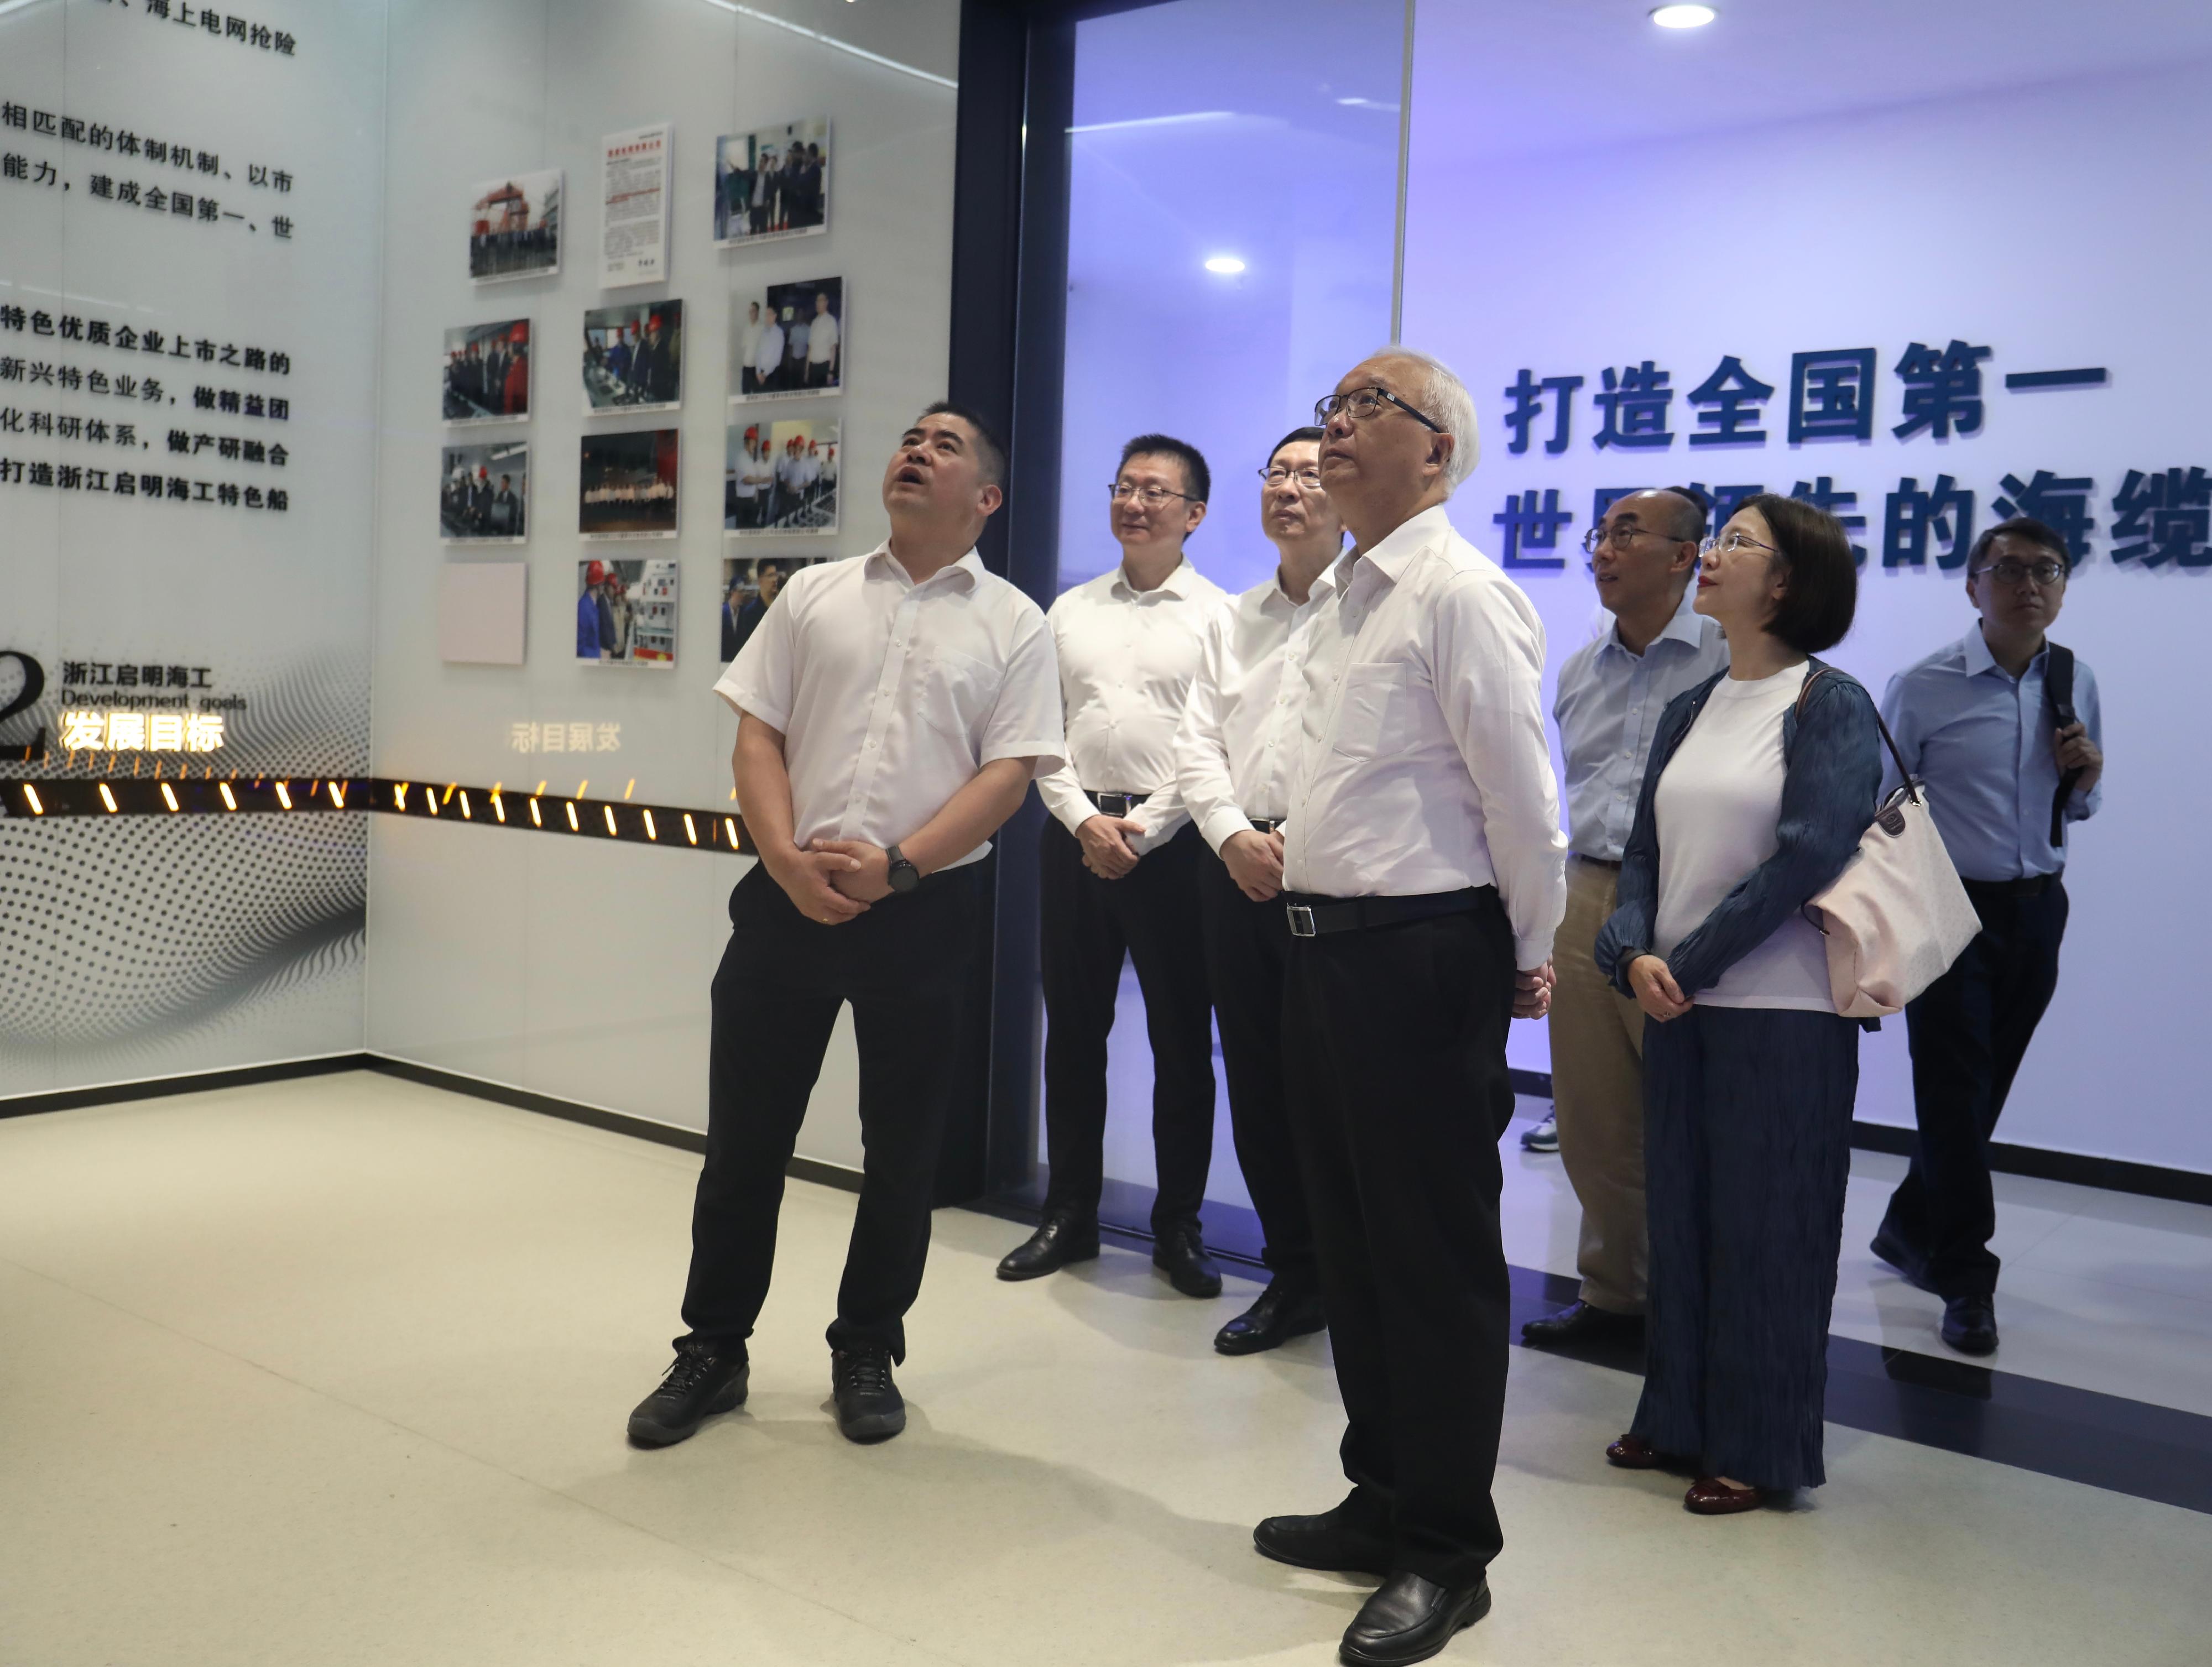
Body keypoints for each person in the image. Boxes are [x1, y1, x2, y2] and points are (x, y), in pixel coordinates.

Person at [626, 403, 1063, 1450]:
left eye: (946, 446)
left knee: (903, 1152)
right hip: (785, 904)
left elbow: (1012, 774)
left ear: (986, 498)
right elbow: (758, 734)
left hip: (923, 914)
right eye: (911, 438)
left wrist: (901, 868)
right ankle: (713, 1349)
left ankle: (867, 1345)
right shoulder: (815, 593)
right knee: (745, 1143)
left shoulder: (1016, 624)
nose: (916, 451)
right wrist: (782, 859)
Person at [1251, 349, 1563, 1667]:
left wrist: (1525, 954)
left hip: (1425, 956)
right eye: (1331, 405)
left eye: (1367, 406)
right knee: (1358, 1243)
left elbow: (1522, 806)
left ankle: (1446, 1549)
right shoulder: (1344, 597)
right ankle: (1379, 1496)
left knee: (1431, 1258)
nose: (1335, 423)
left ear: (1433, 450)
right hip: (1324, 953)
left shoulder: (1457, 593)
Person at [1593, 494, 1880, 1516]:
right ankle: (1677, 1416)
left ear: (1790, 581)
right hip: (1681, 1002)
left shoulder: (1828, 702)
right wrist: (1631, 952)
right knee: (1683, 1217)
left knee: (1772, 1230)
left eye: (1737, 545)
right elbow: (1642, 854)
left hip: (1783, 1016)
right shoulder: (1694, 703)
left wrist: (1692, 960)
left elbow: (1809, 851)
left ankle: (1758, 1445)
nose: (1711, 557)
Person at [998, 435, 1229, 1299]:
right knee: (1075, 1030)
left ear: (1194, 513)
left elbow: (1214, 742)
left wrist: (1146, 827)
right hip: (1075, 834)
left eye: (1157, 491)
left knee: (1180, 1041)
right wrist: (1085, 819)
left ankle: (1179, 1224)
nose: (1136, 503)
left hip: (1176, 847)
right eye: (1125, 487)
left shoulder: (1221, 615)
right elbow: (1038, 728)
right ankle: (1070, 1213)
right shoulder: (1069, 610)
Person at [1870, 516, 2103, 1356]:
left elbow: (2075, 805)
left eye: (2048, 570)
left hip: (2039, 905)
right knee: (1951, 1084)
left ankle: (1908, 1223)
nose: (2030, 584)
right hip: (1946, 903)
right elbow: (1881, 800)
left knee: (1982, 1086)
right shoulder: (1924, 682)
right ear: (1974, 586)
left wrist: (2086, 776)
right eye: (2009, 569)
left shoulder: (2073, 678)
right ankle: (1965, 1276)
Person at [1521, 488, 1728, 1349]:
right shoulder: (1579, 670)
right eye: (1600, 533)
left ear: (1686, 556)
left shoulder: (1734, 661)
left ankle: (1698, 1309)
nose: (1604, 549)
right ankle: (1613, 1296)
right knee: (1595, 1114)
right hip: (1588, 893)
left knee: (1693, 1119)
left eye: (1628, 533)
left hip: (1690, 899)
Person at [1170, 426, 1341, 1356]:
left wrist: (1298, 844)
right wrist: (1233, 835)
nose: (1289, 488)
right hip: (1235, 870)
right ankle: (1296, 1271)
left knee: (1337, 1088)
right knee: (1261, 1083)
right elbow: (1196, 744)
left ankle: (1352, 1269)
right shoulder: (1231, 620)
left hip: (1339, 879)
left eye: (1311, 474)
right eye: (1276, 473)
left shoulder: (1370, 608)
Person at [805, 290, 839, 390]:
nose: (818, 303)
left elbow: (833, 348)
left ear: (826, 303)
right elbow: (810, 348)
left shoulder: (831, 321)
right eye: (817, 301)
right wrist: (807, 371)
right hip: (812, 368)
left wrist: (830, 372)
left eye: (821, 300)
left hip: (824, 368)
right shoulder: (814, 323)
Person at [577, 561, 608, 661]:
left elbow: (591, 641)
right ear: (600, 585)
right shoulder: (584, 608)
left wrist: (600, 651)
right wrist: (598, 657)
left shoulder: (593, 606)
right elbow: (578, 648)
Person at [752, 306, 785, 397]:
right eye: (766, 315)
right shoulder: (763, 332)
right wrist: (758, 372)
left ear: (775, 316)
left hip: (771, 374)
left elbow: (777, 358)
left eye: (769, 314)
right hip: (760, 374)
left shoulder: (779, 333)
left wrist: (765, 374)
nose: (767, 317)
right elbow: (758, 352)